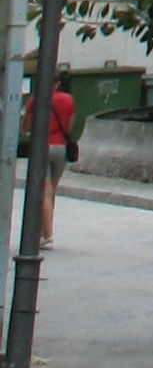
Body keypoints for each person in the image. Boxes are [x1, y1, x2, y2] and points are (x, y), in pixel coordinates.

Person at [40, 79, 73, 249]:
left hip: (43, 147)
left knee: (44, 193)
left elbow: (26, 126)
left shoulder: (37, 99)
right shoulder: (68, 100)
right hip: (61, 148)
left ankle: (48, 236)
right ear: (59, 82)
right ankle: (43, 231)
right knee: (52, 192)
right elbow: (69, 127)